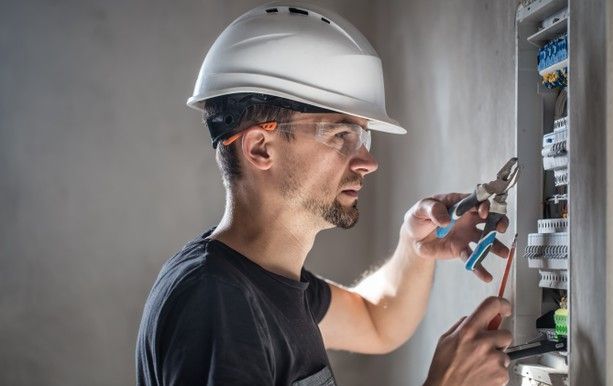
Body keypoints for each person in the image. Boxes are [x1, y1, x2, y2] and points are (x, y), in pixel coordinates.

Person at [136, 3, 513, 385]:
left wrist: (415, 247)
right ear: (260, 148)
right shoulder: (217, 303)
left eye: (363, 136)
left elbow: (376, 320)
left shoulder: (266, 281)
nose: (368, 161)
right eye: (340, 135)